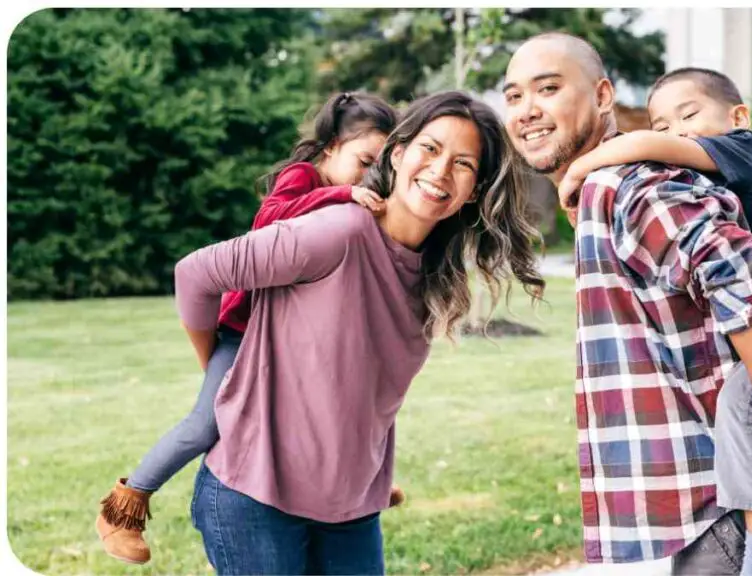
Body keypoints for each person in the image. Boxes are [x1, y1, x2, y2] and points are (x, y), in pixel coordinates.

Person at [503, 32, 752, 575]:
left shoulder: (628, 186)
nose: (527, 110)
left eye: (548, 89)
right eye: (513, 96)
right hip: (736, 512)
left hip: (751, 516)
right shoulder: (608, 189)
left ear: (602, 96)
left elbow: (751, 279)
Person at [181, 90, 542, 575]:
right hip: (254, 496)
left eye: (463, 164)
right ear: (398, 154)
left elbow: (368, 394)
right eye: (430, 149)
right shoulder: (339, 231)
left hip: (350, 511)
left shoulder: (434, 278)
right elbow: (196, 274)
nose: (440, 171)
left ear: (474, 191)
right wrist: (220, 372)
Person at [95, 92, 400, 565]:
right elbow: (268, 219)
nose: (368, 177)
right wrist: (340, 193)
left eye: (379, 169)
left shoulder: (356, 203)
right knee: (205, 424)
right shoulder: (302, 178)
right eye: (363, 161)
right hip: (245, 332)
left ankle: (357, 483)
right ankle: (125, 506)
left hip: (289, 337)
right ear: (331, 148)